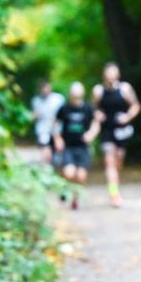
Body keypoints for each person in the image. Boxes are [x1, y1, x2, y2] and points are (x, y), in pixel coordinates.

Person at [92, 63, 141, 208]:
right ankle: (114, 194)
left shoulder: (125, 89)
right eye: (109, 74)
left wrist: (127, 117)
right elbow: (93, 107)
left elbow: (136, 105)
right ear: (104, 75)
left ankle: (115, 187)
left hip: (122, 130)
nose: (111, 77)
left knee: (118, 161)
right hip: (106, 130)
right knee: (109, 162)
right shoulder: (98, 91)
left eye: (114, 74)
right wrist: (97, 114)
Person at [53, 82, 101, 210]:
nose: (76, 98)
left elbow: (96, 123)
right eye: (74, 95)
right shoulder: (64, 108)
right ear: (70, 95)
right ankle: (64, 188)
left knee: (81, 176)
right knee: (69, 173)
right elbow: (56, 123)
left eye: (78, 95)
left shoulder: (88, 108)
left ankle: (75, 198)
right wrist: (58, 139)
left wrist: (91, 134)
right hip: (68, 146)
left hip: (83, 147)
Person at [31, 79, 64, 167]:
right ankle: (46, 172)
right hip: (43, 131)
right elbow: (33, 116)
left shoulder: (58, 99)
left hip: (57, 131)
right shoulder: (36, 101)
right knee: (46, 154)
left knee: (57, 156)